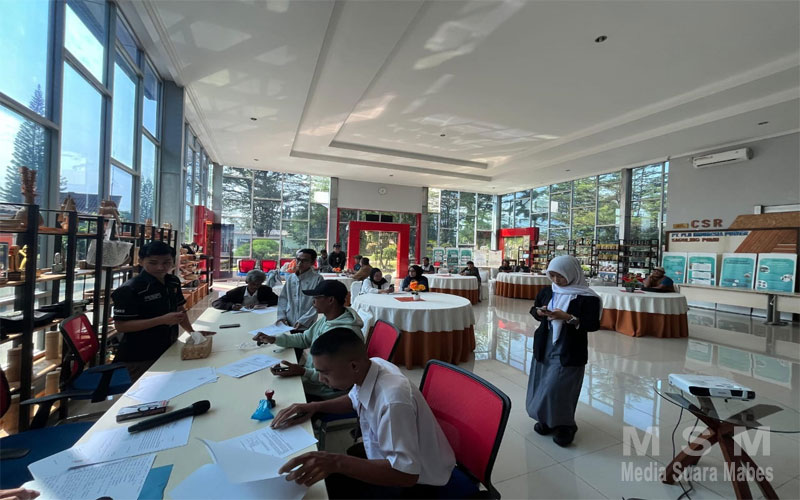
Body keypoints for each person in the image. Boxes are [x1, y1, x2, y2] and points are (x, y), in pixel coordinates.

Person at [272, 328, 456, 498]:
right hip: (387, 458)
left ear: (353, 366)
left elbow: (406, 475)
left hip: (418, 482)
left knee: (326, 487)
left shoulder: (393, 401)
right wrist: (315, 407)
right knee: (326, 477)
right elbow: (354, 399)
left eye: (325, 372)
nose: (321, 379)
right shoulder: (371, 366)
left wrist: (336, 462)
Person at [526, 255, 601, 447]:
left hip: (569, 348)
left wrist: (568, 317)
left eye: (560, 276)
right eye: (552, 275)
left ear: (572, 273)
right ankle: (546, 420)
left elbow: (592, 325)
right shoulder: (548, 291)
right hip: (545, 344)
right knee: (542, 383)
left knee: (560, 388)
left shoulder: (588, 297)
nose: (556, 280)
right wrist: (540, 312)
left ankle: (565, 425)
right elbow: (534, 310)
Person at [112, 241, 213, 381]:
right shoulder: (130, 289)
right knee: (149, 389)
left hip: (169, 346)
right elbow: (121, 326)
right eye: (153, 263)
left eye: (166, 262)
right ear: (140, 261)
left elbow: (180, 310)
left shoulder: (173, 281)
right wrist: (161, 320)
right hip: (139, 355)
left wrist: (192, 332)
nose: (160, 267)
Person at [255, 281, 363, 400]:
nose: (313, 301)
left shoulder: (344, 333)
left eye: (316, 297)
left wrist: (303, 371)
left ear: (331, 300)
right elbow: (304, 338)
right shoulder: (328, 319)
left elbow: (339, 376)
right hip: (311, 381)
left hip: (325, 393)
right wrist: (274, 339)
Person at [276, 249, 324, 329]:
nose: (299, 263)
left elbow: (318, 303)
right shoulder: (291, 278)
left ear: (312, 262)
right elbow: (283, 299)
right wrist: (281, 317)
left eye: (304, 260)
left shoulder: (317, 279)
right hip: (288, 322)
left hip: (307, 323)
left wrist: (304, 320)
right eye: (298, 259)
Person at [211, 269, 278, 311]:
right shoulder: (236, 292)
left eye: (258, 284)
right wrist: (232, 306)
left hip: (259, 316)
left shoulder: (265, 290)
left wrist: (261, 304)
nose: (255, 287)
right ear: (247, 282)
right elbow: (216, 303)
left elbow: (277, 300)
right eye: (252, 284)